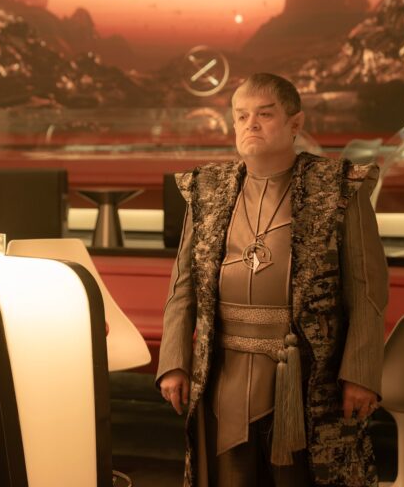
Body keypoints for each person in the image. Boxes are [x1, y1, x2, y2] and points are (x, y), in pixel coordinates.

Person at [157, 73, 388, 487]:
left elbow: (368, 290)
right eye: (241, 116)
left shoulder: (338, 188)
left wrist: (361, 372)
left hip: (305, 374)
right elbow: (182, 287)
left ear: (295, 123)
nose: (251, 125)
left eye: (264, 115)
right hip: (222, 371)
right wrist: (174, 362)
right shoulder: (206, 190)